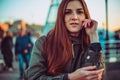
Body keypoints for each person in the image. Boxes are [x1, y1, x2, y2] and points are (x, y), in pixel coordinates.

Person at [25, 0, 105, 80]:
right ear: (61, 17)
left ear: (85, 17)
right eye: (68, 12)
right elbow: (33, 77)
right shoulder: (43, 43)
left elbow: (96, 75)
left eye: (79, 12)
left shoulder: (91, 44)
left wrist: (93, 36)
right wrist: (69, 78)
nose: (74, 17)